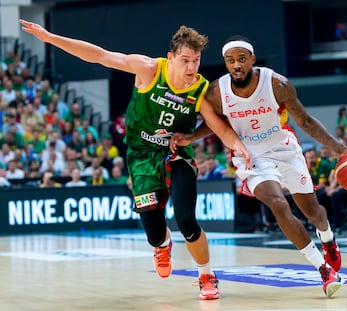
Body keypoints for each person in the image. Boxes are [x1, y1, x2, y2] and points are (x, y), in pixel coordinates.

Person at [19, 19, 251, 300]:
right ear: (171, 58)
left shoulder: (200, 89)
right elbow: (100, 55)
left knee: (187, 220)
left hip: (176, 153)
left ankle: (206, 276)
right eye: (185, 60)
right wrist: (50, 38)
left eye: (197, 61)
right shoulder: (149, 69)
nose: (191, 68)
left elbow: (220, 127)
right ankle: (161, 244)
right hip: (141, 155)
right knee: (154, 232)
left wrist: (239, 146)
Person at [173, 35, 347, 298]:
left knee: (313, 210)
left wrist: (341, 151)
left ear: (252, 60)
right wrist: (189, 137)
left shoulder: (277, 84)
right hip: (251, 155)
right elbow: (214, 124)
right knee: (278, 204)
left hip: (284, 149)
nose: (236, 65)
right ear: (225, 63)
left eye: (242, 59)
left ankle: (327, 238)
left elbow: (307, 122)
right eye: (230, 61)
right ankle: (323, 270)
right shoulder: (216, 91)